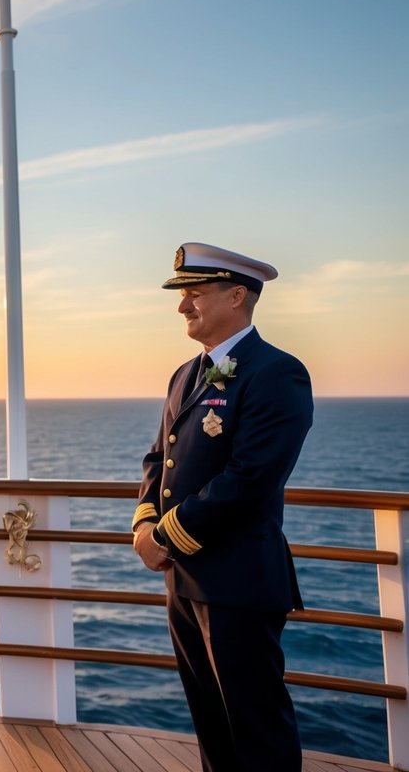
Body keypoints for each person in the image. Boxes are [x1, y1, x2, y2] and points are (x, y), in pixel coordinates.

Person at [131, 243, 313, 772]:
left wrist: (165, 537)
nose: (182, 306)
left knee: (256, 730)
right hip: (184, 579)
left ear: (237, 295)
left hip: (238, 581)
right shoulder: (185, 374)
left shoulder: (278, 372)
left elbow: (252, 477)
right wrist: (145, 521)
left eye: (193, 294)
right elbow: (157, 459)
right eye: (181, 295)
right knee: (211, 724)